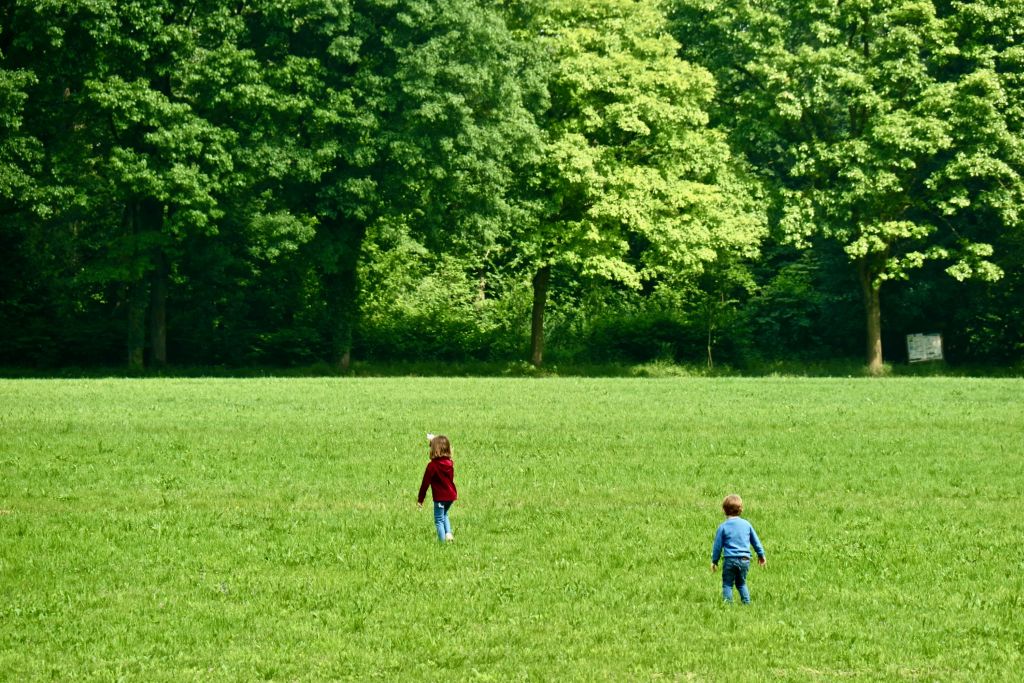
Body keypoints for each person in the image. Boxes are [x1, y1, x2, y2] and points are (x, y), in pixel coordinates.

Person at [711, 494, 766, 604]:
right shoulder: (747, 524)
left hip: (730, 559)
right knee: (741, 583)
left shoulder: (723, 527)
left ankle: (727, 605)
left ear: (724, 510)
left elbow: (717, 546)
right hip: (745, 559)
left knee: (727, 583)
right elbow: (756, 541)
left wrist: (714, 561)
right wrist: (761, 555)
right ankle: (747, 603)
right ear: (741, 510)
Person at [417, 434, 458, 542]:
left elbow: (425, 484)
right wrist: (433, 440)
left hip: (441, 497)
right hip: (451, 496)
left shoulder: (432, 466)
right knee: (444, 513)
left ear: (433, 449)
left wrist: (420, 499)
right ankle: (448, 533)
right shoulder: (450, 463)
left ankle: (442, 542)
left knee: (439, 520)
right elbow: (440, 445)